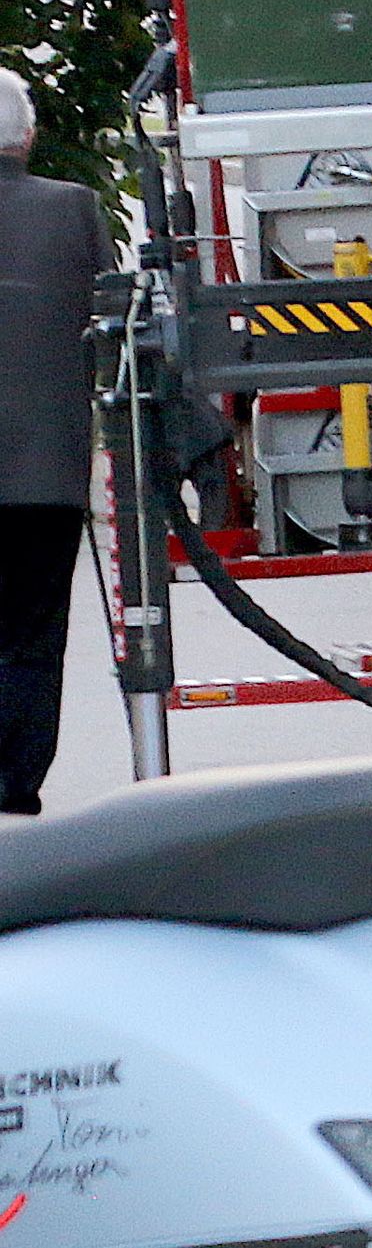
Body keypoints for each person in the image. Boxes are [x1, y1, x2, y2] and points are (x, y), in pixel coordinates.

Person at [0, 73, 110, 816]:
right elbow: (119, 331)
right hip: (47, 472)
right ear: (29, 138)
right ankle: (16, 778)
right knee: (36, 632)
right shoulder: (76, 210)